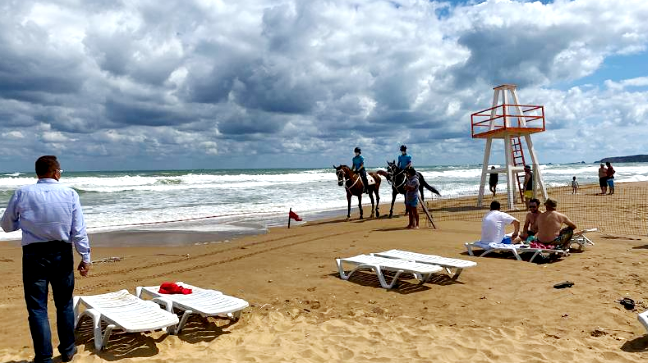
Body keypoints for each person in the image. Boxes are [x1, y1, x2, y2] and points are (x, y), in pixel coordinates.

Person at [1, 156, 91, 363]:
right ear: (56, 172)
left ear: (38, 173)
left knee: (37, 307)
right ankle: (68, 350)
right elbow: (78, 230)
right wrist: (85, 256)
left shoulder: (22, 193)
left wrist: (24, 224)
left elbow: (6, 225)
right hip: (62, 252)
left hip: (34, 254)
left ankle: (43, 357)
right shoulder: (69, 193)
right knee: (64, 304)